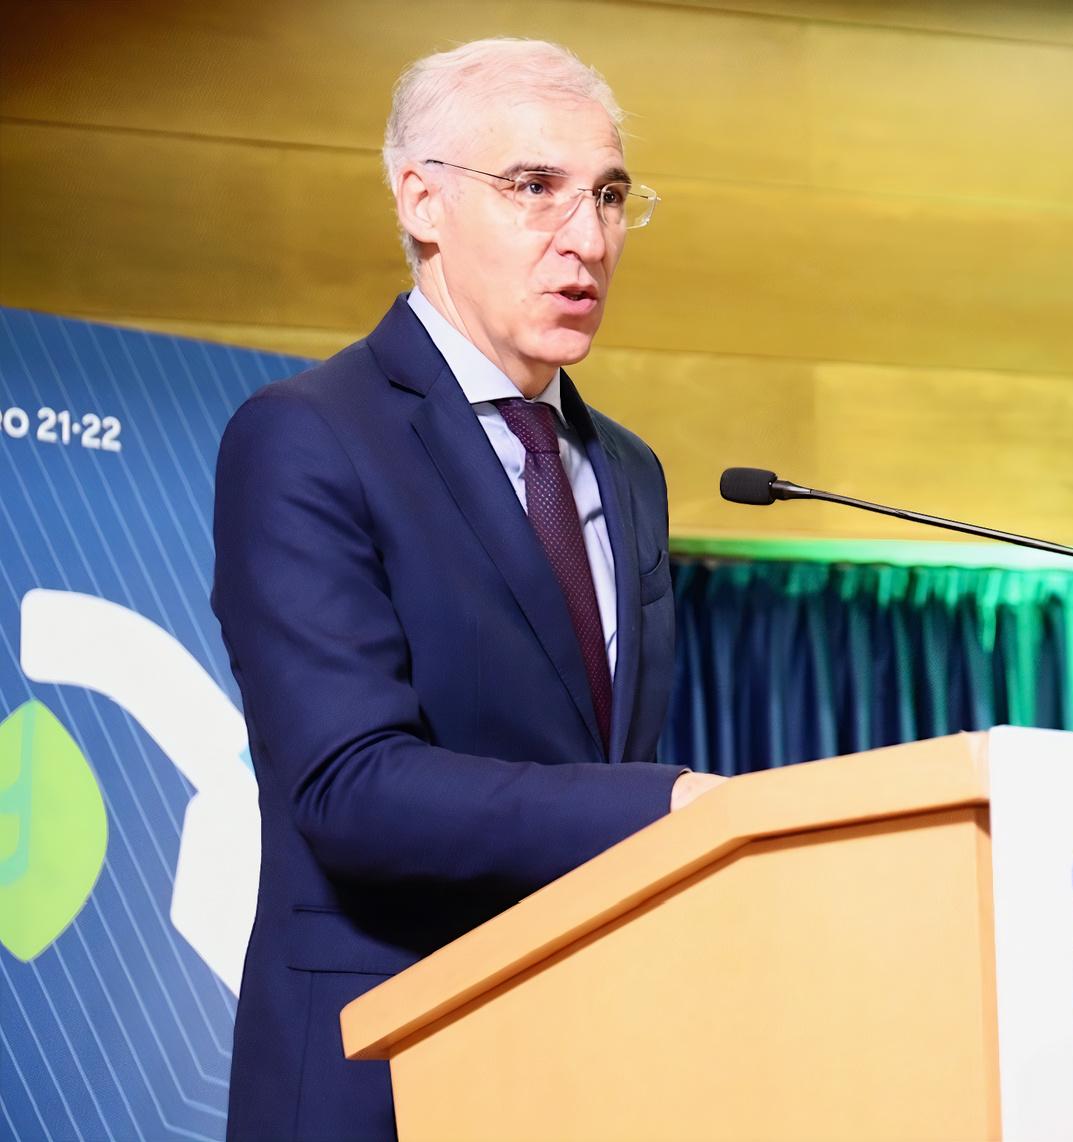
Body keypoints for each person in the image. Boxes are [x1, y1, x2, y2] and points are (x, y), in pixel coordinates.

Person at [209, 39, 722, 1141]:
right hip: (380, 1071)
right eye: (536, 189)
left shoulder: (628, 472)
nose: (587, 240)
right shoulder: (308, 437)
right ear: (422, 199)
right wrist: (666, 805)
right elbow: (349, 787)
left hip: (583, 1064)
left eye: (612, 195)